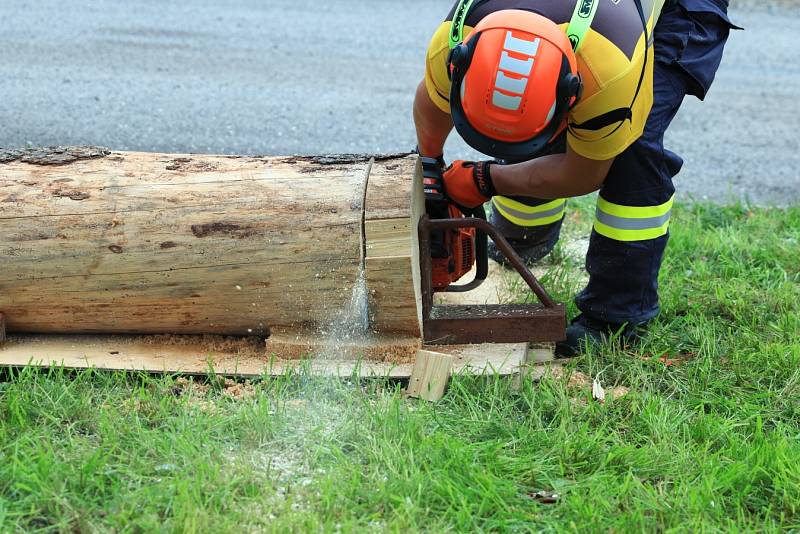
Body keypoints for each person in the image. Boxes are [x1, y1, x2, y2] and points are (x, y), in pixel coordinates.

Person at [413, 0, 738, 356]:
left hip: (671, 11)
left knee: (634, 151)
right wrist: (430, 167)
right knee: (526, 113)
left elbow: (582, 173)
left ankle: (617, 315)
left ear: (573, 88)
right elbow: (434, 101)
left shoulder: (609, 74)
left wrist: (484, 180)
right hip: (584, 38)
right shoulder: (456, 36)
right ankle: (524, 235)